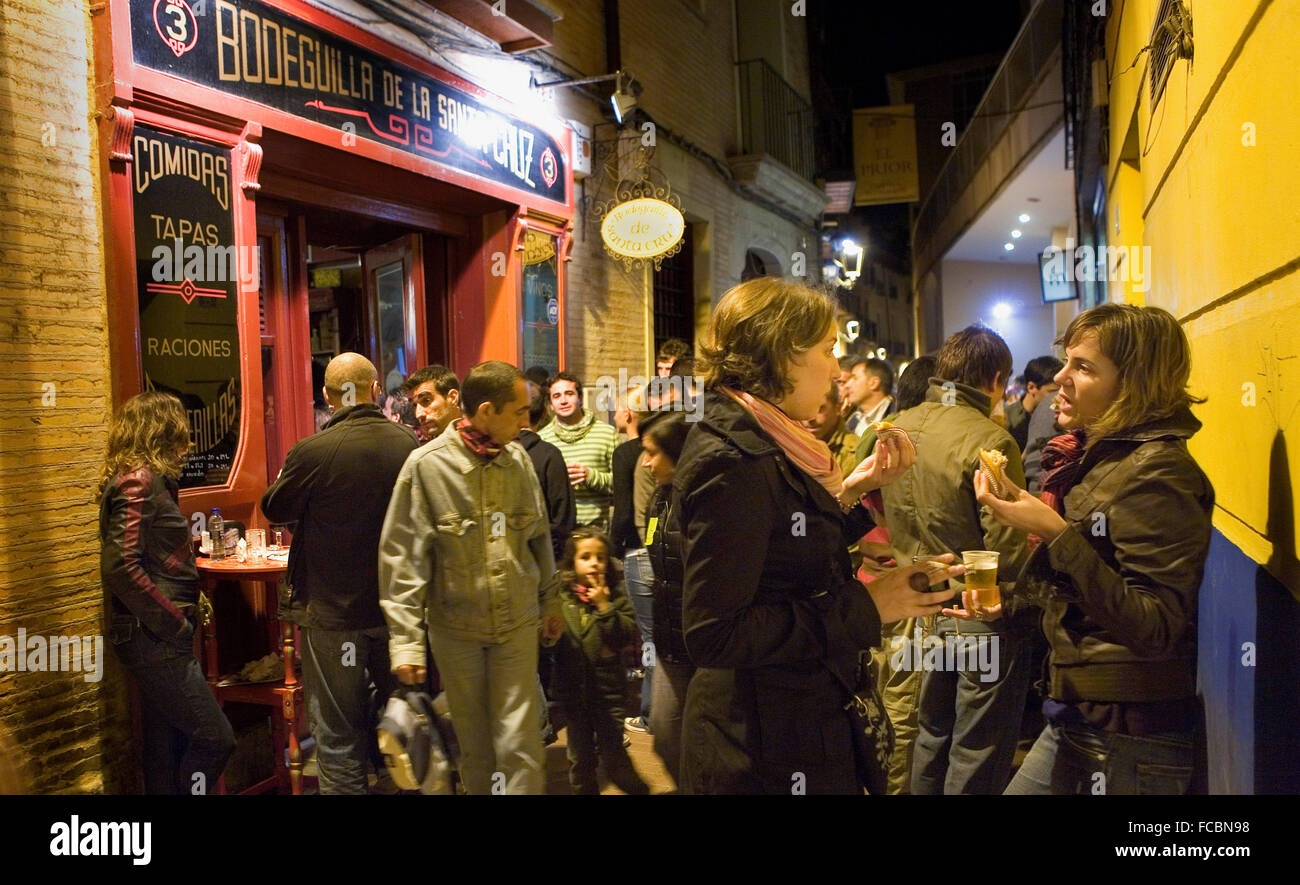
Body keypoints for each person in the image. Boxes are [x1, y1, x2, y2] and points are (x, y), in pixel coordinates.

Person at [676, 277, 963, 794]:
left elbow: (781, 544)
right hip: (759, 745)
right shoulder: (732, 458)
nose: (836, 369)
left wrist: (856, 489)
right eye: (827, 350)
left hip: (793, 721)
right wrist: (870, 605)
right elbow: (714, 633)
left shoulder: (771, 436)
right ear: (781, 353)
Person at [970, 305, 1214, 795]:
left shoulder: (1158, 470)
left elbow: (1156, 625)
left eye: (1083, 367)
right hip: (1082, 716)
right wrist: (1009, 605)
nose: (1060, 376)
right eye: (1067, 361)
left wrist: (1057, 533)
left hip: (1129, 735)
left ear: (1135, 383)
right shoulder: (1098, 456)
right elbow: (1087, 586)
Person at [379, 361, 564, 794]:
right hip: (456, 630)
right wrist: (406, 641)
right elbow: (401, 559)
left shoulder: (518, 462)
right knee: (475, 745)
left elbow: (538, 539)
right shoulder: (425, 467)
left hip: (516, 623)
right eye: (518, 411)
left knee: (520, 742)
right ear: (486, 410)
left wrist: (550, 601)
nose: (527, 420)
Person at [881, 326, 1032, 795]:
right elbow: (1003, 548)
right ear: (997, 378)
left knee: (931, 735)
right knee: (977, 746)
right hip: (977, 613)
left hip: (921, 609)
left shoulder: (896, 428)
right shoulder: (990, 440)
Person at [260, 353, 418, 794]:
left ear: (328, 398)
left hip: (333, 615)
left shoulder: (312, 451)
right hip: (396, 613)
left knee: (337, 735)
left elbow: (275, 509)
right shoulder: (409, 445)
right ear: (374, 390)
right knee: (404, 731)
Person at [98, 391, 235, 794]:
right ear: (159, 434)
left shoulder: (145, 479)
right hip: (152, 636)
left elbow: (153, 555)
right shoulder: (137, 481)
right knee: (215, 739)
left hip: (149, 633)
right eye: (179, 433)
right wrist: (172, 619)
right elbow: (120, 565)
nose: (187, 444)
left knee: (165, 744)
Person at [553, 528, 650, 795]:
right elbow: (555, 646)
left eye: (600, 557)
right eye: (585, 557)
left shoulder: (615, 597)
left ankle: (640, 790)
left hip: (608, 694)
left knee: (614, 756)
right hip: (575, 695)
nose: (594, 563)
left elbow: (623, 635)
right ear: (572, 562)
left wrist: (605, 606)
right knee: (579, 760)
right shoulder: (562, 600)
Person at [638, 411, 693, 784]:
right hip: (669, 639)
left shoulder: (705, 499)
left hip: (703, 644)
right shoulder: (660, 497)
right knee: (664, 734)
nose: (645, 462)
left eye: (653, 453)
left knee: (703, 743)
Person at [609, 398, 655, 736]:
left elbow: (632, 513)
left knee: (652, 638)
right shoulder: (658, 450)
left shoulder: (634, 454)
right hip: (655, 552)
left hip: (641, 554)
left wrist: (620, 548)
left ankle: (652, 714)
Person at [540, 371, 618, 530]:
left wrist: (590, 476)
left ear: (580, 398)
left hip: (596, 531)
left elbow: (621, 485)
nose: (563, 401)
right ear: (550, 405)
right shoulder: (542, 439)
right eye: (556, 396)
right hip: (557, 532)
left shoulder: (606, 434)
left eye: (569, 394)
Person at [518, 376, 577, 561]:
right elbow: (563, 518)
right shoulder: (549, 455)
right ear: (545, 413)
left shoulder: (495, 451)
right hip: (544, 558)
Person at [1005, 356, 1064, 451]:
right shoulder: (1007, 419)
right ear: (1031, 387)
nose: (1058, 397)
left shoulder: (1059, 414)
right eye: (1053, 392)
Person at [803, 381, 861, 477]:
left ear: (837, 408)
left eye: (819, 409)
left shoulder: (856, 452)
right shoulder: (791, 445)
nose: (810, 418)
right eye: (804, 409)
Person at [401, 364, 462, 443]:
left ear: (452, 397)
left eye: (426, 400)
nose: (418, 414)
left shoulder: (478, 443)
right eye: (414, 405)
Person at [842, 356, 895, 436]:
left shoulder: (898, 420)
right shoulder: (852, 419)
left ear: (874, 383)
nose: (847, 385)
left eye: (855, 378)